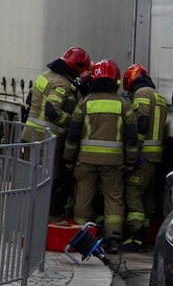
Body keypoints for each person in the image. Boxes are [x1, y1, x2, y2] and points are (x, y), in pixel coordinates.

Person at [64, 59, 138, 254]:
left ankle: (83, 237)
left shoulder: (84, 102)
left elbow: (73, 134)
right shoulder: (124, 104)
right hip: (114, 163)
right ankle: (113, 239)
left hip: (86, 161)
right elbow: (131, 137)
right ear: (115, 80)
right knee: (114, 199)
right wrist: (130, 161)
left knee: (83, 198)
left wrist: (69, 159)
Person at [21, 46, 92, 222]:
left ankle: (29, 219)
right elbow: (52, 110)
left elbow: (30, 101)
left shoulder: (44, 76)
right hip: (46, 140)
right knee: (46, 183)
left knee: (32, 180)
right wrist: (73, 120)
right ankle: (41, 221)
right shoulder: (63, 82)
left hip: (30, 135)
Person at [120, 64, 168, 252]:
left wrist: (134, 151)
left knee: (133, 191)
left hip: (144, 154)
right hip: (156, 156)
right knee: (146, 196)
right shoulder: (159, 97)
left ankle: (136, 236)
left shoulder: (141, 94)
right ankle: (145, 236)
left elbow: (142, 121)